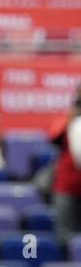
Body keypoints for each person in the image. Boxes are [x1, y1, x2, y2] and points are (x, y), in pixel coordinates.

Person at [49, 88, 81, 238]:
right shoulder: (72, 122)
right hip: (67, 185)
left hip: (68, 185)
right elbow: (53, 138)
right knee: (65, 236)